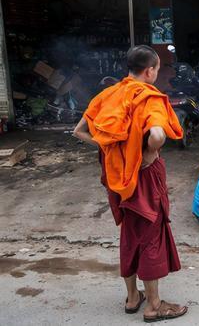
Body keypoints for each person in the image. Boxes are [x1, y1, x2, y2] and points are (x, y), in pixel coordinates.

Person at [73, 45, 188, 322]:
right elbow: (158, 134)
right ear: (149, 71)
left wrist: (116, 149)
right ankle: (153, 305)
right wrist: (146, 154)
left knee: (129, 235)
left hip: (116, 177)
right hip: (143, 179)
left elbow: (79, 131)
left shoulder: (109, 94)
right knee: (150, 236)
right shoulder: (148, 98)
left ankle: (133, 297)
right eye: (157, 70)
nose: (157, 74)